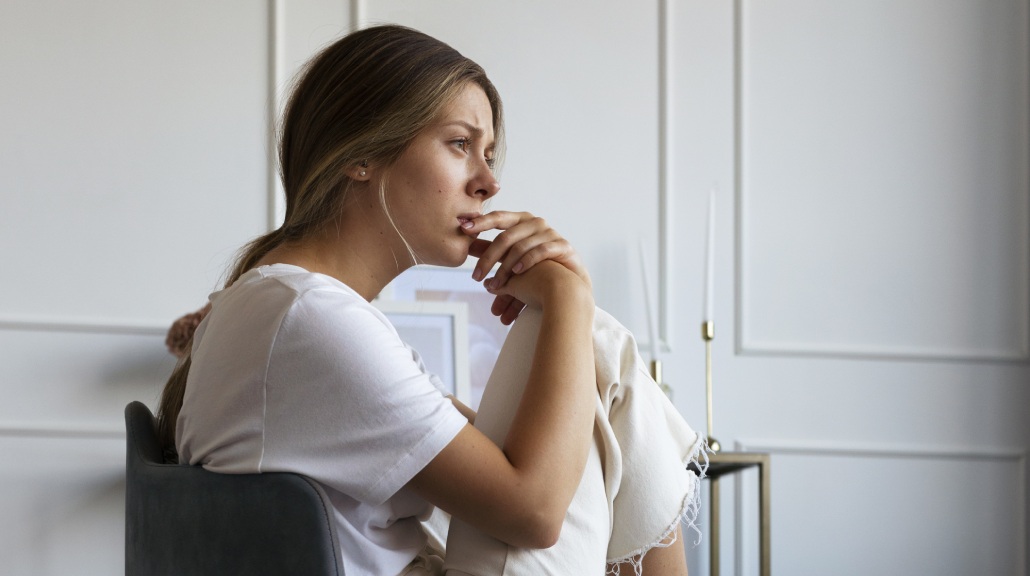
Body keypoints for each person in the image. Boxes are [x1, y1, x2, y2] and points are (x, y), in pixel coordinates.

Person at [157, 24, 705, 576]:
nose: (489, 181)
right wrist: (565, 294)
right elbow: (534, 512)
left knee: (590, 352)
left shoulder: (290, 305)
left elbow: (485, 446)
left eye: (490, 154)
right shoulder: (309, 317)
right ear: (363, 154)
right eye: (461, 144)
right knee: (591, 336)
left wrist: (567, 299)